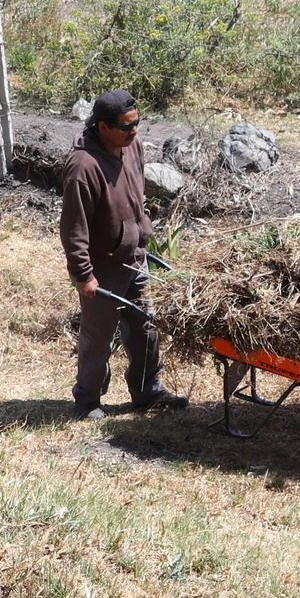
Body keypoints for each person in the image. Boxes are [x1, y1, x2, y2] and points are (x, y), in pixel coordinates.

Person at [59, 89, 185, 420]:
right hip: (103, 268)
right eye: (126, 126)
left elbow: (135, 196)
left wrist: (142, 233)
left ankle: (147, 391)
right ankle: (87, 401)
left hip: (134, 256)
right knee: (97, 338)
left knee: (145, 327)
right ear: (102, 127)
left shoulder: (132, 147)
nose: (135, 132)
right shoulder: (83, 167)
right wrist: (83, 274)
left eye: (137, 124)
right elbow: (74, 228)